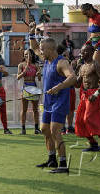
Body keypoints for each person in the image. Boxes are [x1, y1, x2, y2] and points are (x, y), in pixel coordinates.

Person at [29, 22, 76, 174]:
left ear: (51, 49)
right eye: (41, 50)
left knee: (55, 131)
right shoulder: (46, 59)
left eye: (43, 50)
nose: (40, 52)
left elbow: (73, 78)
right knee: (44, 130)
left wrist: (58, 87)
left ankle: (63, 164)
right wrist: (31, 34)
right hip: (48, 102)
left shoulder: (61, 62)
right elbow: (35, 48)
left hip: (60, 102)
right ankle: (52, 159)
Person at [74, 44, 100, 157]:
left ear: (91, 53)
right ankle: (93, 144)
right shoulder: (82, 67)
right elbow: (77, 84)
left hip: (94, 95)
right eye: (81, 51)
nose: (82, 53)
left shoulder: (95, 65)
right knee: (80, 120)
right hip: (85, 96)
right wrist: (75, 72)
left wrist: (96, 94)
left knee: (89, 119)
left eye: (85, 51)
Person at [17, 49, 41, 135]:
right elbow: (18, 77)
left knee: (35, 109)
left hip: (34, 87)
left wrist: (38, 75)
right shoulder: (21, 65)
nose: (27, 56)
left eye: (29, 54)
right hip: (25, 86)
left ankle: (36, 128)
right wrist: (24, 71)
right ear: (24, 56)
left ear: (32, 55)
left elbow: (39, 79)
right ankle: (23, 129)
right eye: (25, 54)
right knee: (24, 109)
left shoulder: (36, 65)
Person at [81, 3, 100, 68]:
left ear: (91, 9)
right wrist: (87, 43)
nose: (86, 16)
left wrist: (97, 44)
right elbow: (92, 35)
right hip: (93, 45)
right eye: (84, 14)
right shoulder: (90, 19)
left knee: (95, 68)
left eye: (86, 13)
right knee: (89, 68)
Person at [57, 46, 77, 135]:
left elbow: (74, 74)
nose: (67, 55)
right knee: (62, 108)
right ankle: (62, 127)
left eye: (68, 53)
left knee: (71, 109)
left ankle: (70, 127)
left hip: (71, 88)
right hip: (63, 89)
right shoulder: (60, 62)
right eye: (65, 53)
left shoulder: (71, 62)